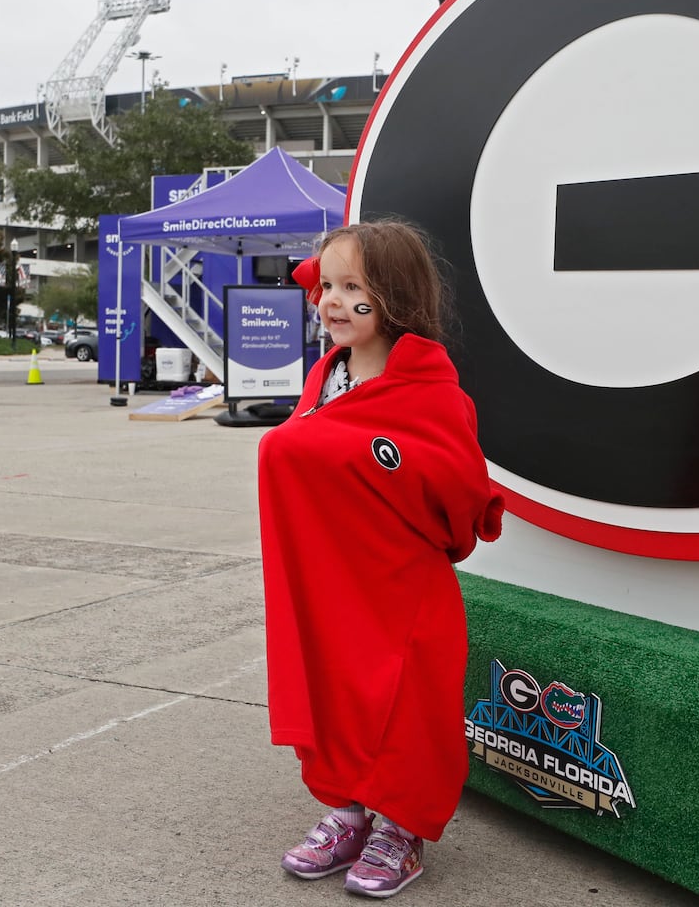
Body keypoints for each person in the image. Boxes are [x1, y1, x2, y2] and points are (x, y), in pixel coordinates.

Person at [257, 219, 503, 899]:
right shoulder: (327, 378)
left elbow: (458, 491)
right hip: (330, 583)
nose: (330, 301)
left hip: (401, 588)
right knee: (337, 694)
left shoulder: (429, 391)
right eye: (326, 286)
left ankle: (401, 828)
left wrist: (382, 460)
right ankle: (350, 811)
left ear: (391, 297)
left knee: (404, 708)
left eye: (351, 288)